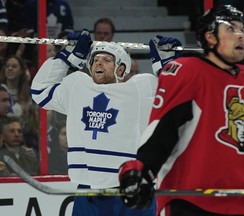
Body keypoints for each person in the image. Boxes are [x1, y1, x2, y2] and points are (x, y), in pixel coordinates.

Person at [118, 5, 244, 216]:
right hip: (191, 202)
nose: (241, 36)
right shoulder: (187, 73)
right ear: (210, 37)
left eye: (242, 30)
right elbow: (163, 132)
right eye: (231, 29)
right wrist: (141, 169)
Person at [31, 29, 160, 215]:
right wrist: (66, 57)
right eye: (95, 60)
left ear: (121, 69)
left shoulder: (139, 90)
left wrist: (168, 65)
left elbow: (179, 94)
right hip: (88, 189)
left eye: (107, 60)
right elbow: (39, 91)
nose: (98, 62)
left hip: (133, 188)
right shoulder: (78, 86)